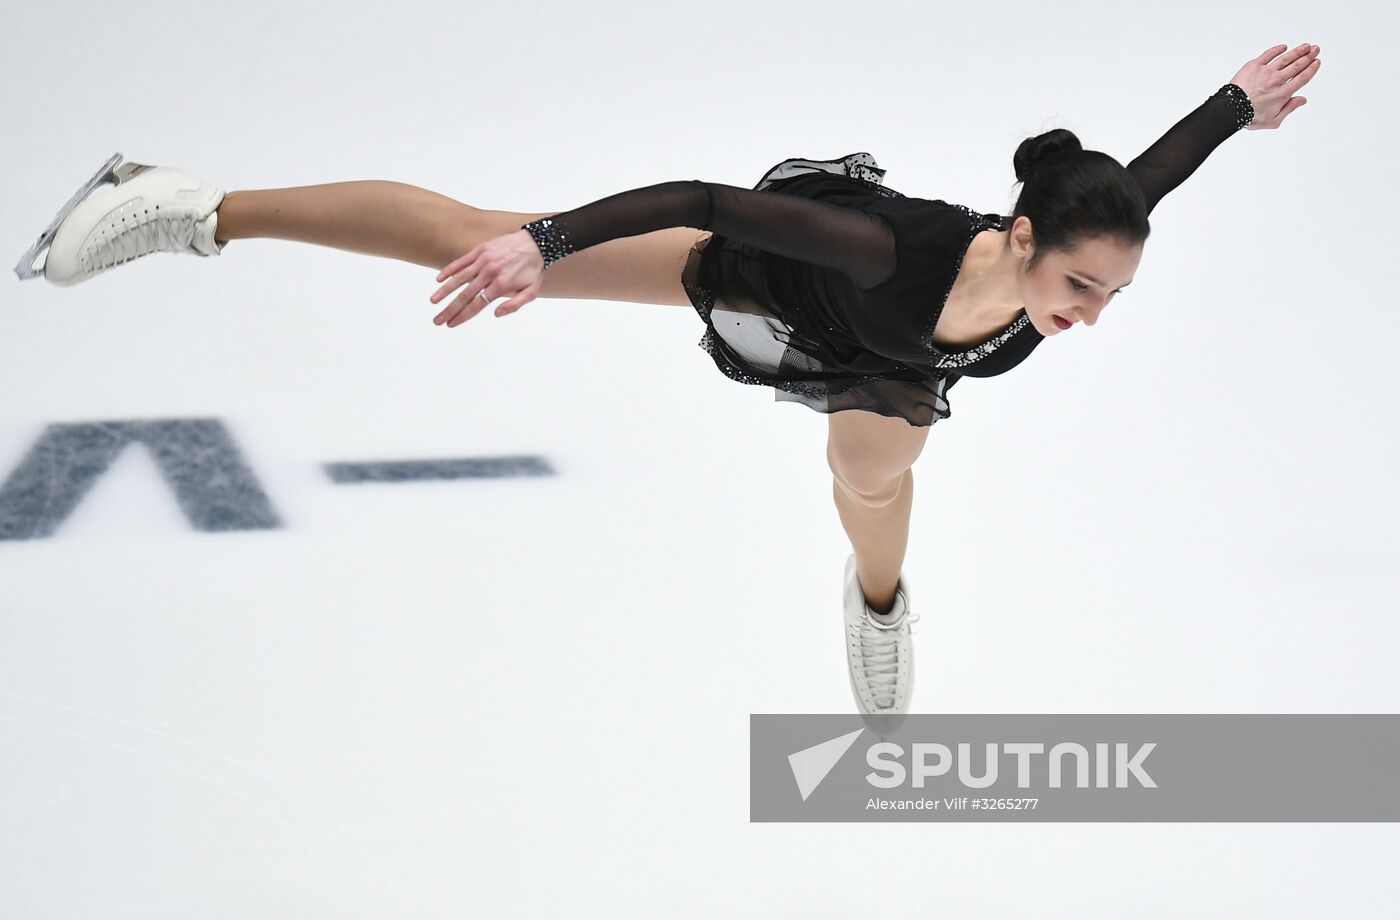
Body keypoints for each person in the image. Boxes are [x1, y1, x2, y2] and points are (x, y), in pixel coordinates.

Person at [15, 43, 1320, 716]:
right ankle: (182, 205)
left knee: (872, 487)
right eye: (1080, 288)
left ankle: (878, 609)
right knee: (468, 226)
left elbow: (1156, 172)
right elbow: (707, 197)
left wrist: (1230, 104)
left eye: (1110, 296)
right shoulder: (877, 242)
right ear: (1024, 237)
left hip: (899, 371)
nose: (1089, 316)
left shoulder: (1082, 232)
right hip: (773, 283)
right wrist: (547, 244)